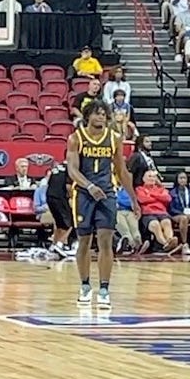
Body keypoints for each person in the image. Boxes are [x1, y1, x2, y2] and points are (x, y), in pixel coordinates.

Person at [66, 102, 137, 309]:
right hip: (83, 193)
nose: (101, 117)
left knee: (105, 241)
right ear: (87, 116)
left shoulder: (114, 139)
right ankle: (85, 286)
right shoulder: (75, 138)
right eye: (97, 114)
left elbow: (122, 171)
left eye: (104, 114)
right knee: (84, 241)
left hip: (106, 193)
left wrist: (133, 198)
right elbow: (72, 170)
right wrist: (88, 186)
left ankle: (104, 289)